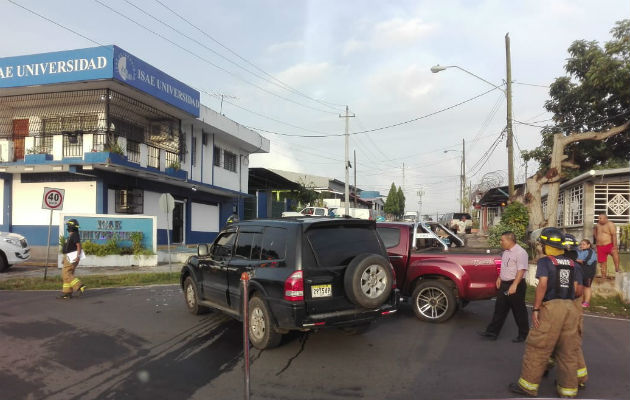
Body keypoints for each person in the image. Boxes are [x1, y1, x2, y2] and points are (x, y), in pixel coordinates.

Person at [509, 227, 583, 398]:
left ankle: (528, 386)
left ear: (547, 246)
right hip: (570, 308)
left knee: (538, 346)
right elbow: (577, 289)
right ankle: (568, 390)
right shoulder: (573, 264)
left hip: (552, 308)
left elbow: (542, 285)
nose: (540, 247)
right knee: (567, 350)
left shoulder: (545, 262)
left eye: (542, 244)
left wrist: (536, 309)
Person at [478, 231, 529, 342]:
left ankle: (523, 335)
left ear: (510, 240)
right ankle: (492, 333)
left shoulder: (521, 252)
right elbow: (505, 267)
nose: (501, 242)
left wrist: (514, 285)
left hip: (516, 285)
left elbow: (521, 270)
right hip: (504, 285)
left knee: (519, 311)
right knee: (499, 309)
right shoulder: (505, 252)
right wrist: (500, 277)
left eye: (502, 240)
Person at [58, 218, 86, 299]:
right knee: (67, 275)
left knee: (66, 274)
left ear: (71, 226)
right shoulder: (72, 235)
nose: (67, 227)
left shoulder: (75, 235)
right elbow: (68, 247)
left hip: (72, 257)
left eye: (68, 225)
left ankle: (80, 285)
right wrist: (64, 258)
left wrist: (78, 256)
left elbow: (78, 246)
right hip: (68, 257)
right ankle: (67, 293)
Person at [593, 213, 620, 279]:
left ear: (605, 218)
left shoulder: (610, 224)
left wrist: (615, 246)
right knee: (603, 263)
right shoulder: (598, 225)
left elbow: (614, 235)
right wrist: (597, 240)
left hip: (609, 244)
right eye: (598, 218)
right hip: (600, 246)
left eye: (600, 218)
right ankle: (603, 276)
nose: (599, 220)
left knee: (615, 253)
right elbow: (595, 232)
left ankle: (617, 268)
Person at [576, 239, 597, 308]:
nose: (582, 245)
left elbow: (587, 262)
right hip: (580, 271)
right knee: (580, 286)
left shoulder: (591, 252)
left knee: (587, 286)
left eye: (584, 244)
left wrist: (576, 260)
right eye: (581, 244)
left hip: (588, 272)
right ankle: (581, 301)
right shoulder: (579, 251)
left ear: (588, 245)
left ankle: (586, 302)